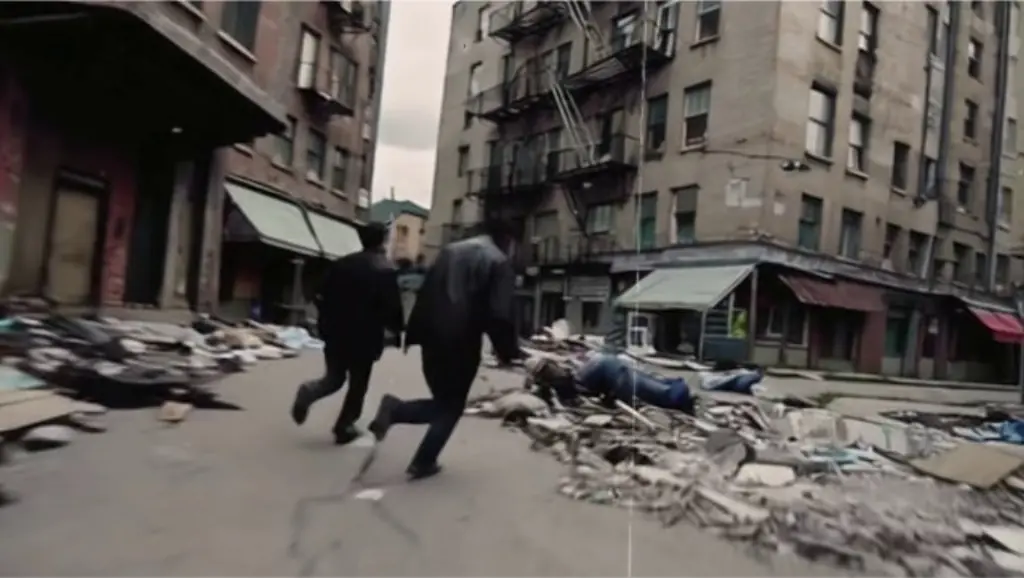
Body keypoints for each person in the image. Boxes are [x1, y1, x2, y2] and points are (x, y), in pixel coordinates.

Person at [365, 220, 522, 480]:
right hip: (461, 341)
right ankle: (418, 451)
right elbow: (500, 314)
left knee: (444, 402)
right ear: (510, 241)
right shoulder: (498, 261)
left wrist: (413, 334)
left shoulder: (450, 251)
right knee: (450, 407)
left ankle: (400, 418)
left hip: (431, 337)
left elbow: (427, 292)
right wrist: (508, 352)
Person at [290, 222, 404, 444]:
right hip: (365, 336)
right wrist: (398, 329)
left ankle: (309, 392)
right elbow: (393, 308)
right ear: (382, 240)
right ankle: (344, 426)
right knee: (358, 384)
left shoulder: (342, 264)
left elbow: (321, 293)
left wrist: (326, 321)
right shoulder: (385, 269)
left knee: (334, 378)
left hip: (335, 331)